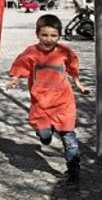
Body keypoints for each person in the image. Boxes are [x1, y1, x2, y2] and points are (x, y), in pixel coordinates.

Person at [5, 14, 88, 183]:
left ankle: (74, 170)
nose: (49, 39)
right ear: (37, 34)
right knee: (44, 135)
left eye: (53, 35)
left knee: (69, 138)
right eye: (44, 35)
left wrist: (78, 83)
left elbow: (72, 66)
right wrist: (15, 78)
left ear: (59, 35)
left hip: (63, 102)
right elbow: (21, 65)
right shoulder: (31, 52)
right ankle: (45, 135)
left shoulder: (64, 52)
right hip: (41, 102)